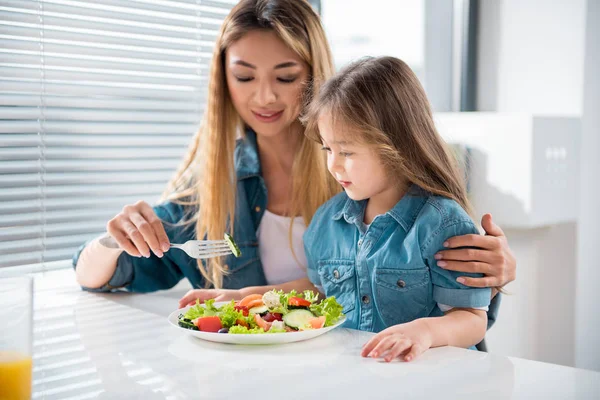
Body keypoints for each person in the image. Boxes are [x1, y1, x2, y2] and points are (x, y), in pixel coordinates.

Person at [74, 0, 515, 326]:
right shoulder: (214, 185)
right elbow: (98, 276)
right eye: (244, 77)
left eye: (285, 77)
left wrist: (495, 273)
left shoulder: (369, 173)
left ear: (315, 77)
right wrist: (113, 242)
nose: (264, 97)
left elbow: (460, 306)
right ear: (222, 79)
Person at [301, 56, 493, 362]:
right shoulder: (327, 221)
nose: (333, 164)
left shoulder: (441, 225)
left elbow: (472, 319)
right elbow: (317, 292)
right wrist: (243, 297)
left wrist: (425, 332)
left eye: (347, 151)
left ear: (396, 146)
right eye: (328, 149)